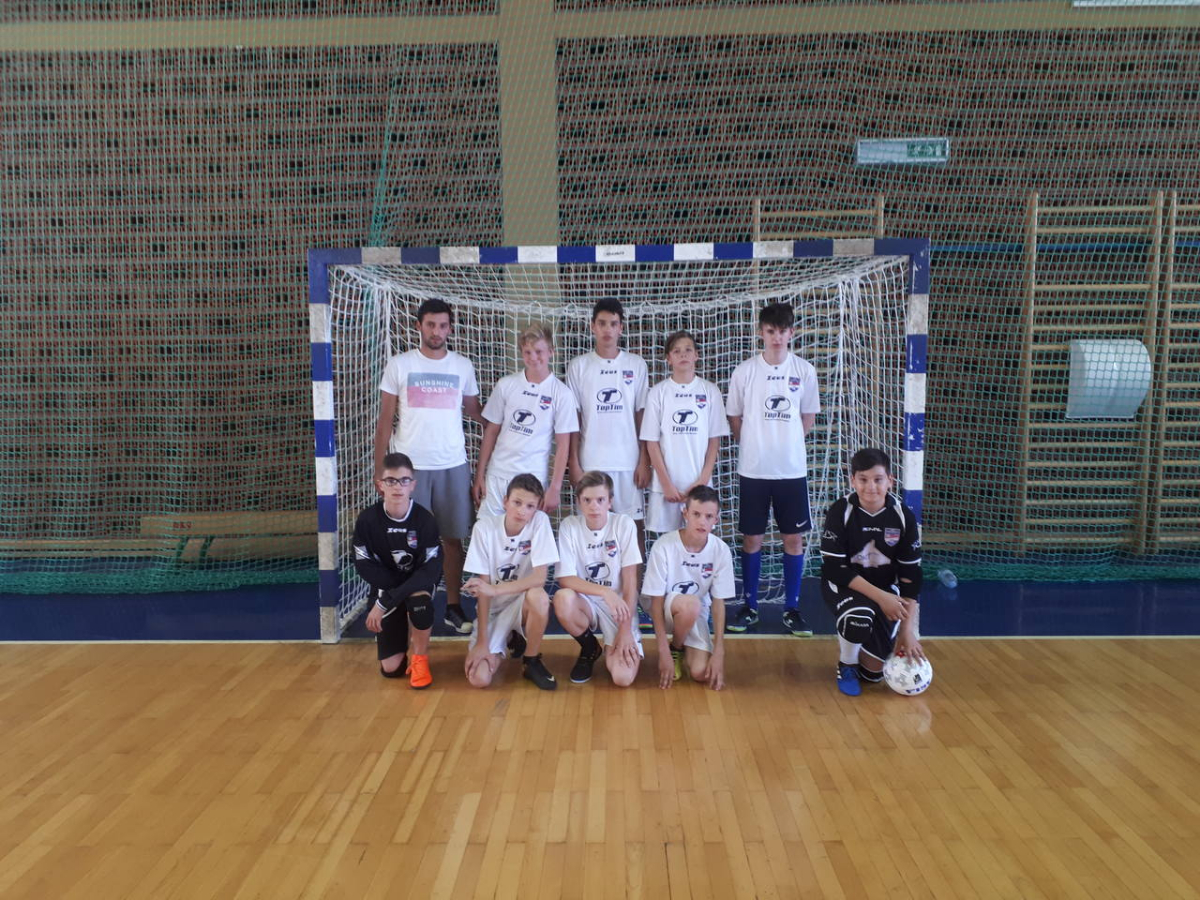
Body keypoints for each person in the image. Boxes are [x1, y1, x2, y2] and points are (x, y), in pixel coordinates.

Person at [374, 298, 484, 636]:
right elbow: (385, 420)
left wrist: (509, 423)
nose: (437, 331)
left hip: (452, 465)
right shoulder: (399, 365)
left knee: (452, 540)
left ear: (450, 328)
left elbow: (476, 412)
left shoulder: (462, 366)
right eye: (431, 324)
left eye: (443, 325)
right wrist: (380, 471)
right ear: (419, 326)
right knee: (409, 543)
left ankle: (453, 606)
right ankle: (409, 605)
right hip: (409, 470)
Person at [724, 302, 820, 636]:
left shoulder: (804, 370)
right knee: (752, 538)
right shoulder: (745, 371)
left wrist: (787, 443)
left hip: (791, 471)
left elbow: (808, 416)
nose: (776, 337)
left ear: (792, 333)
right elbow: (734, 416)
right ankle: (749, 606)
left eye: (782, 331)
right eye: (770, 331)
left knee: (793, 539)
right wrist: (754, 444)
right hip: (753, 470)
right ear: (761, 332)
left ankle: (792, 608)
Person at [820, 448, 924, 697]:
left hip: (884, 589)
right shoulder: (841, 511)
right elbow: (834, 569)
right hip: (844, 585)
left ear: (890, 481)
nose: (870, 487)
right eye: (863, 479)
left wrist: (907, 631)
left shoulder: (903, 517)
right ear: (852, 481)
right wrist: (881, 597)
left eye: (878, 479)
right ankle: (847, 665)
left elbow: (911, 576)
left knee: (873, 675)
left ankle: (866, 644)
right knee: (859, 616)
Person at [352, 452, 443, 690]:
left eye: (404, 480)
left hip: (416, 585)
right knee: (391, 670)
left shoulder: (425, 520)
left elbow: (431, 570)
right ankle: (401, 629)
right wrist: (390, 597)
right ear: (380, 485)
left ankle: (420, 658)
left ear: (412, 485)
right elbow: (364, 564)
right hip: (387, 586)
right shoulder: (367, 520)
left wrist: (383, 603)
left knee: (419, 604)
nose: (398, 487)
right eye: (391, 480)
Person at [461, 473, 560, 690]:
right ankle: (508, 639)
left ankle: (531, 661)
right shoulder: (484, 529)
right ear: (505, 501)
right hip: (493, 612)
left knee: (539, 596)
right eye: (517, 502)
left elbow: (540, 578)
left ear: (537, 508)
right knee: (479, 679)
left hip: (521, 605)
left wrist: (496, 590)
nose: (522, 511)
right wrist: (482, 643)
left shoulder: (539, 522)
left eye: (530, 506)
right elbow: (484, 593)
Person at [473, 322, 577, 517]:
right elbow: (491, 432)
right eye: (528, 352)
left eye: (539, 351)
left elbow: (563, 446)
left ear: (551, 352)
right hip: (498, 473)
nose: (533, 357)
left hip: (532, 478)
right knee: (489, 529)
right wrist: (480, 474)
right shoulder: (506, 385)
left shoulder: (562, 394)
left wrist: (555, 488)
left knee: (527, 532)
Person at [552, 471, 643, 686]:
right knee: (563, 598)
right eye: (587, 500)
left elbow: (631, 582)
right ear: (578, 502)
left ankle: (618, 642)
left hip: (619, 607)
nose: (594, 506)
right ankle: (590, 648)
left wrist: (625, 630)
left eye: (600, 500)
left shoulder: (624, 524)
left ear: (610, 501)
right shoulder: (569, 526)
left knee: (622, 678)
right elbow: (565, 579)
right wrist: (604, 591)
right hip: (587, 602)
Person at [566, 298, 650, 526]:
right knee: (590, 525)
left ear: (621, 328)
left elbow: (642, 416)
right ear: (592, 326)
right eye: (602, 323)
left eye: (613, 324)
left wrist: (644, 459)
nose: (607, 330)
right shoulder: (578, 366)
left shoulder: (636, 364)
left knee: (632, 526)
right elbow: (574, 419)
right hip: (591, 461)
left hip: (628, 461)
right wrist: (574, 462)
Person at [644, 485, 735, 691]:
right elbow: (656, 601)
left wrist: (719, 651)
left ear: (716, 519)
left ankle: (681, 644)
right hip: (666, 609)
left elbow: (718, 603)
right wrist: (663, 652)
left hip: (695, 612)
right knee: (691, 604)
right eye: (696, 514)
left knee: (701, 673)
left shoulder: (721, 550)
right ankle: (675, 649)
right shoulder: (664, 546)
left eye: (708, 516)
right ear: (685, 513)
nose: (702, 521)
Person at [640, 330, 730, 534]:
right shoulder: (658, 393)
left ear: (696, 355)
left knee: (699, 539)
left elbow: (714, 441)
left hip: (700, 486)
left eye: (688, 350)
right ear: (668, 358)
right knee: (668, 541)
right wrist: (666, 484)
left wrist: (702, 481)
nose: (683, 354)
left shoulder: (710, 391)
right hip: (666, 487)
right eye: (676, 351)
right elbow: (651, 442)